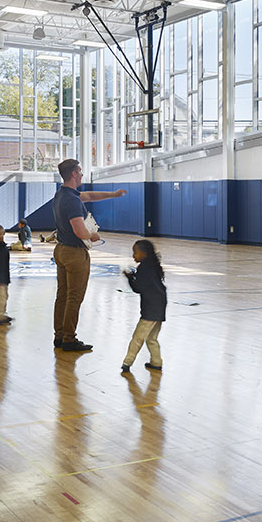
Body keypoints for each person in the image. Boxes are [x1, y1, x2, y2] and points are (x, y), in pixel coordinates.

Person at [50, 158, 127, 352]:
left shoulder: (62, 195)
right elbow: (80, 231)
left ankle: (59, 335)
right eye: (80, 171)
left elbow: (90, 196)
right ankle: (69, 338)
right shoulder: (72, 201)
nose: (82, 174)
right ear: (74, 174)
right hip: (74, 253)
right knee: (74, 297)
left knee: (62, 296)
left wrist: (113, 194)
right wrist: (93, 235)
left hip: (60, 250)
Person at [122, 239, 167, 372]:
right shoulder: (153, 265)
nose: (133, 255)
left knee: (138, 337)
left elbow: (138, 288)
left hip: (151, 309)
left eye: (135, 252)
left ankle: (127, 363)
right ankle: (156, 362)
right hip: (160, 305)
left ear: (144, 253)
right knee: (151, 338)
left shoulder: (143, 268)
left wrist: (130, 278)